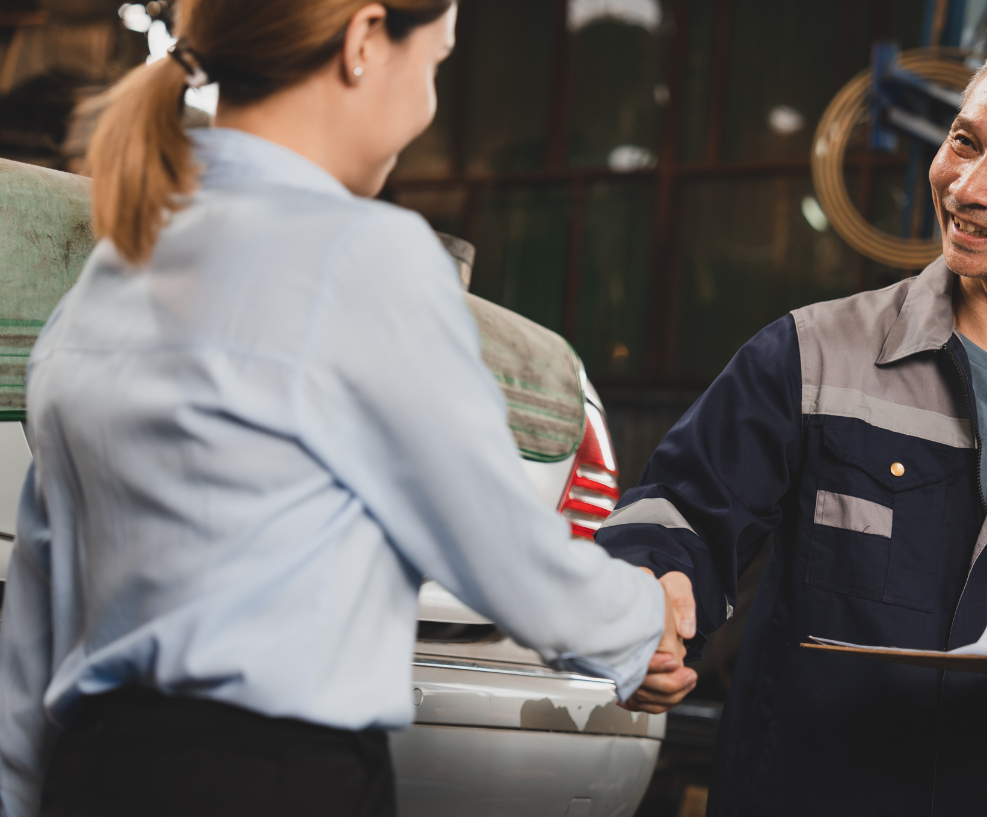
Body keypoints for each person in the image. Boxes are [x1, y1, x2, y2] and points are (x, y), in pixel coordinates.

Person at [0, 2, 696, 816]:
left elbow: (33, 623)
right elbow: (500, 547)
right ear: (365, 40)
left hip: (92, 775)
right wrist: (646, 619)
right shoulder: (364, 258)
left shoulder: (110, 279)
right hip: (276, 782)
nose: (430, 103)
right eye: (436, 62)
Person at [604, 16, 987, 815]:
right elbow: (678, 514)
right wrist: (648, 593)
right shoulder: (811, 357)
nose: (968, 186)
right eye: (963, 141)